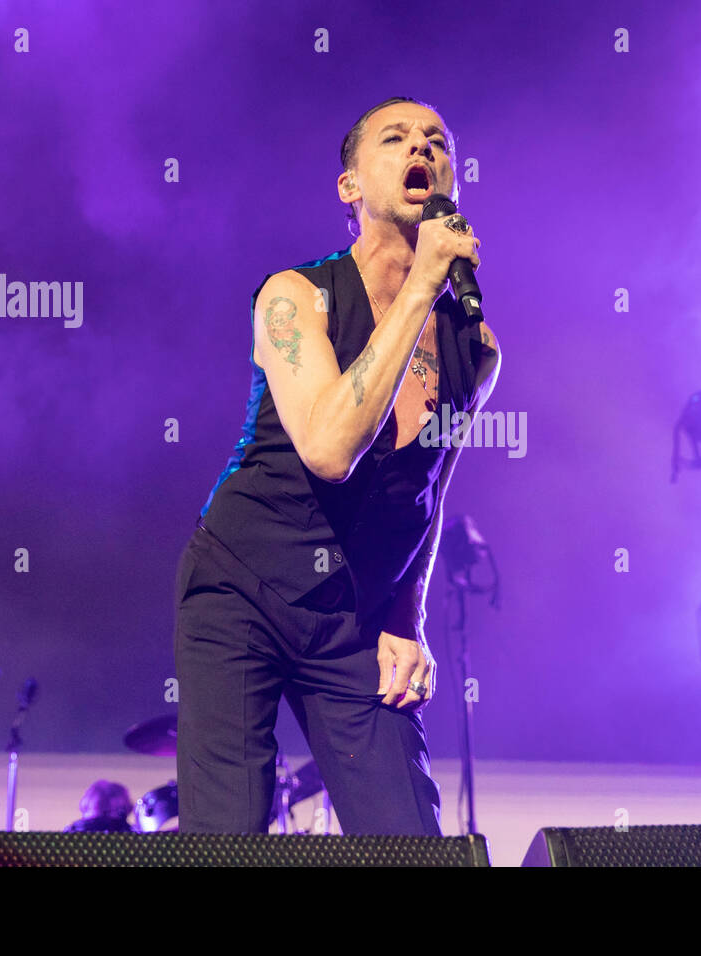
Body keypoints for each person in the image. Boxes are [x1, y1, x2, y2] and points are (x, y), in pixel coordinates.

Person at [173, 96, 501, 835]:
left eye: (437, 142)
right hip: (241, 589)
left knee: (409, 839)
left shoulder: (473, 346)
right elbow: (329, 451)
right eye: (396, 138)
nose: (423, 147)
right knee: (226, 843)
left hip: (354, 617)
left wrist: (404, 617)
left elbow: (430, 489)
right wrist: (422, 283)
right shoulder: (294, 298)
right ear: (351, 187)